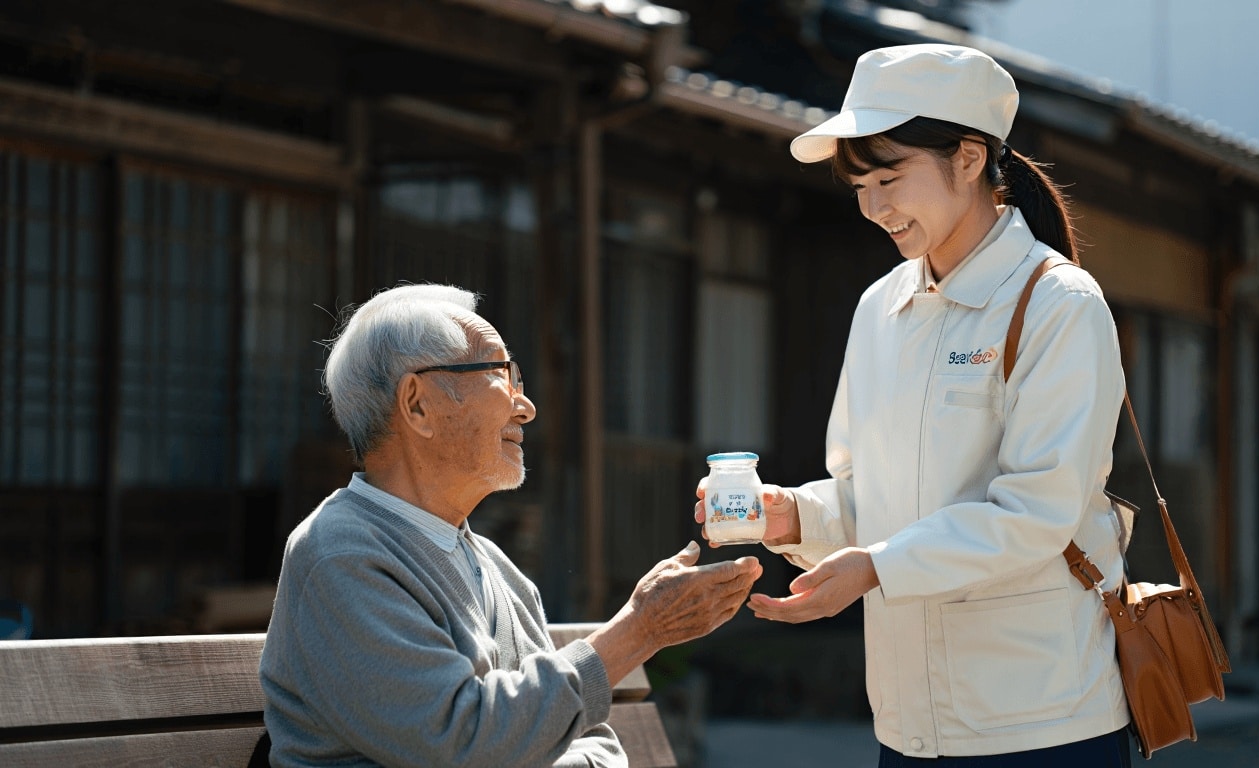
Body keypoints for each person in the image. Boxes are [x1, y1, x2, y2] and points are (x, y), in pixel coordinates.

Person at [696, 45, 1131, 766]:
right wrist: (795, 516)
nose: (873, 206)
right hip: (907, 725)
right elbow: (870, 495)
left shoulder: (1057, 304)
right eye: (860, 184)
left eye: (890, 176)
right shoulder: (882, 306)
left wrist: (876, 568)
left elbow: (1038, 511)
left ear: (967, 158)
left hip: (1042, 721)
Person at [262, 284, 762, 767]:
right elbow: (462, 744)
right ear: (417, 405)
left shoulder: (494, 566)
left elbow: (590, 740)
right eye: (501, 375)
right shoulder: (340, 556)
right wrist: (638, 630)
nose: (525, 406)